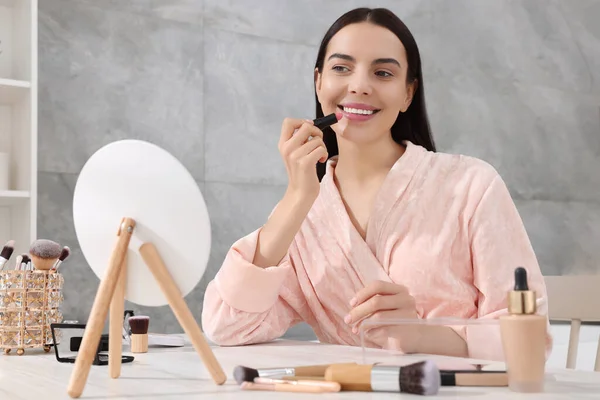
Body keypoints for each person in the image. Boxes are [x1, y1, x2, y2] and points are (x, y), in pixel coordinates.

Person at [201, 7, 552, 361]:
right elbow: (226, 326)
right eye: (341, 68)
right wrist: (297, 197)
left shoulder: (472, 186)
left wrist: (421, 336)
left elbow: (530, 341)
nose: (359, 86)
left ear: (407, 94)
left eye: (383, 73)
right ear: (318, 82)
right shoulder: (303, 219)